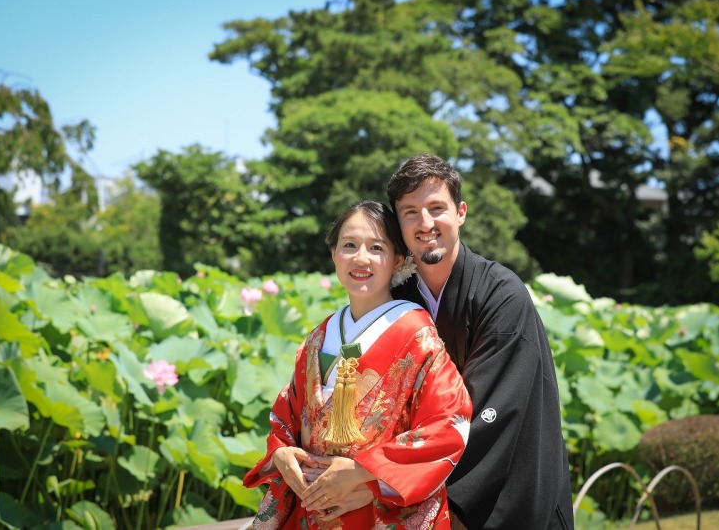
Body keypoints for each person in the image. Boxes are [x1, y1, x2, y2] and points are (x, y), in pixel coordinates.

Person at [243, 200, 473, 529]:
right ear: (334, 253)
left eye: (376, 247)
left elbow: (450, 423)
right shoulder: (318, 338)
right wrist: (281, 455)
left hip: (375, 508)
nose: (361, 258)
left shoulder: (416, 335)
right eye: (349, 245)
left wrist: (367, 477)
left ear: (397, 260)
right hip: (313, 507)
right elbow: (286, 418)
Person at [385, 152, 575, 529]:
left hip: (510, 489)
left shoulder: (501, 295)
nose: (425, 223)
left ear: (461, 212)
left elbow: (488, 413)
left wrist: (388, 479)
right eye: (410, 212)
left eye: (436, 208)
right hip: (420, 492)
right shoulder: (399, 298)